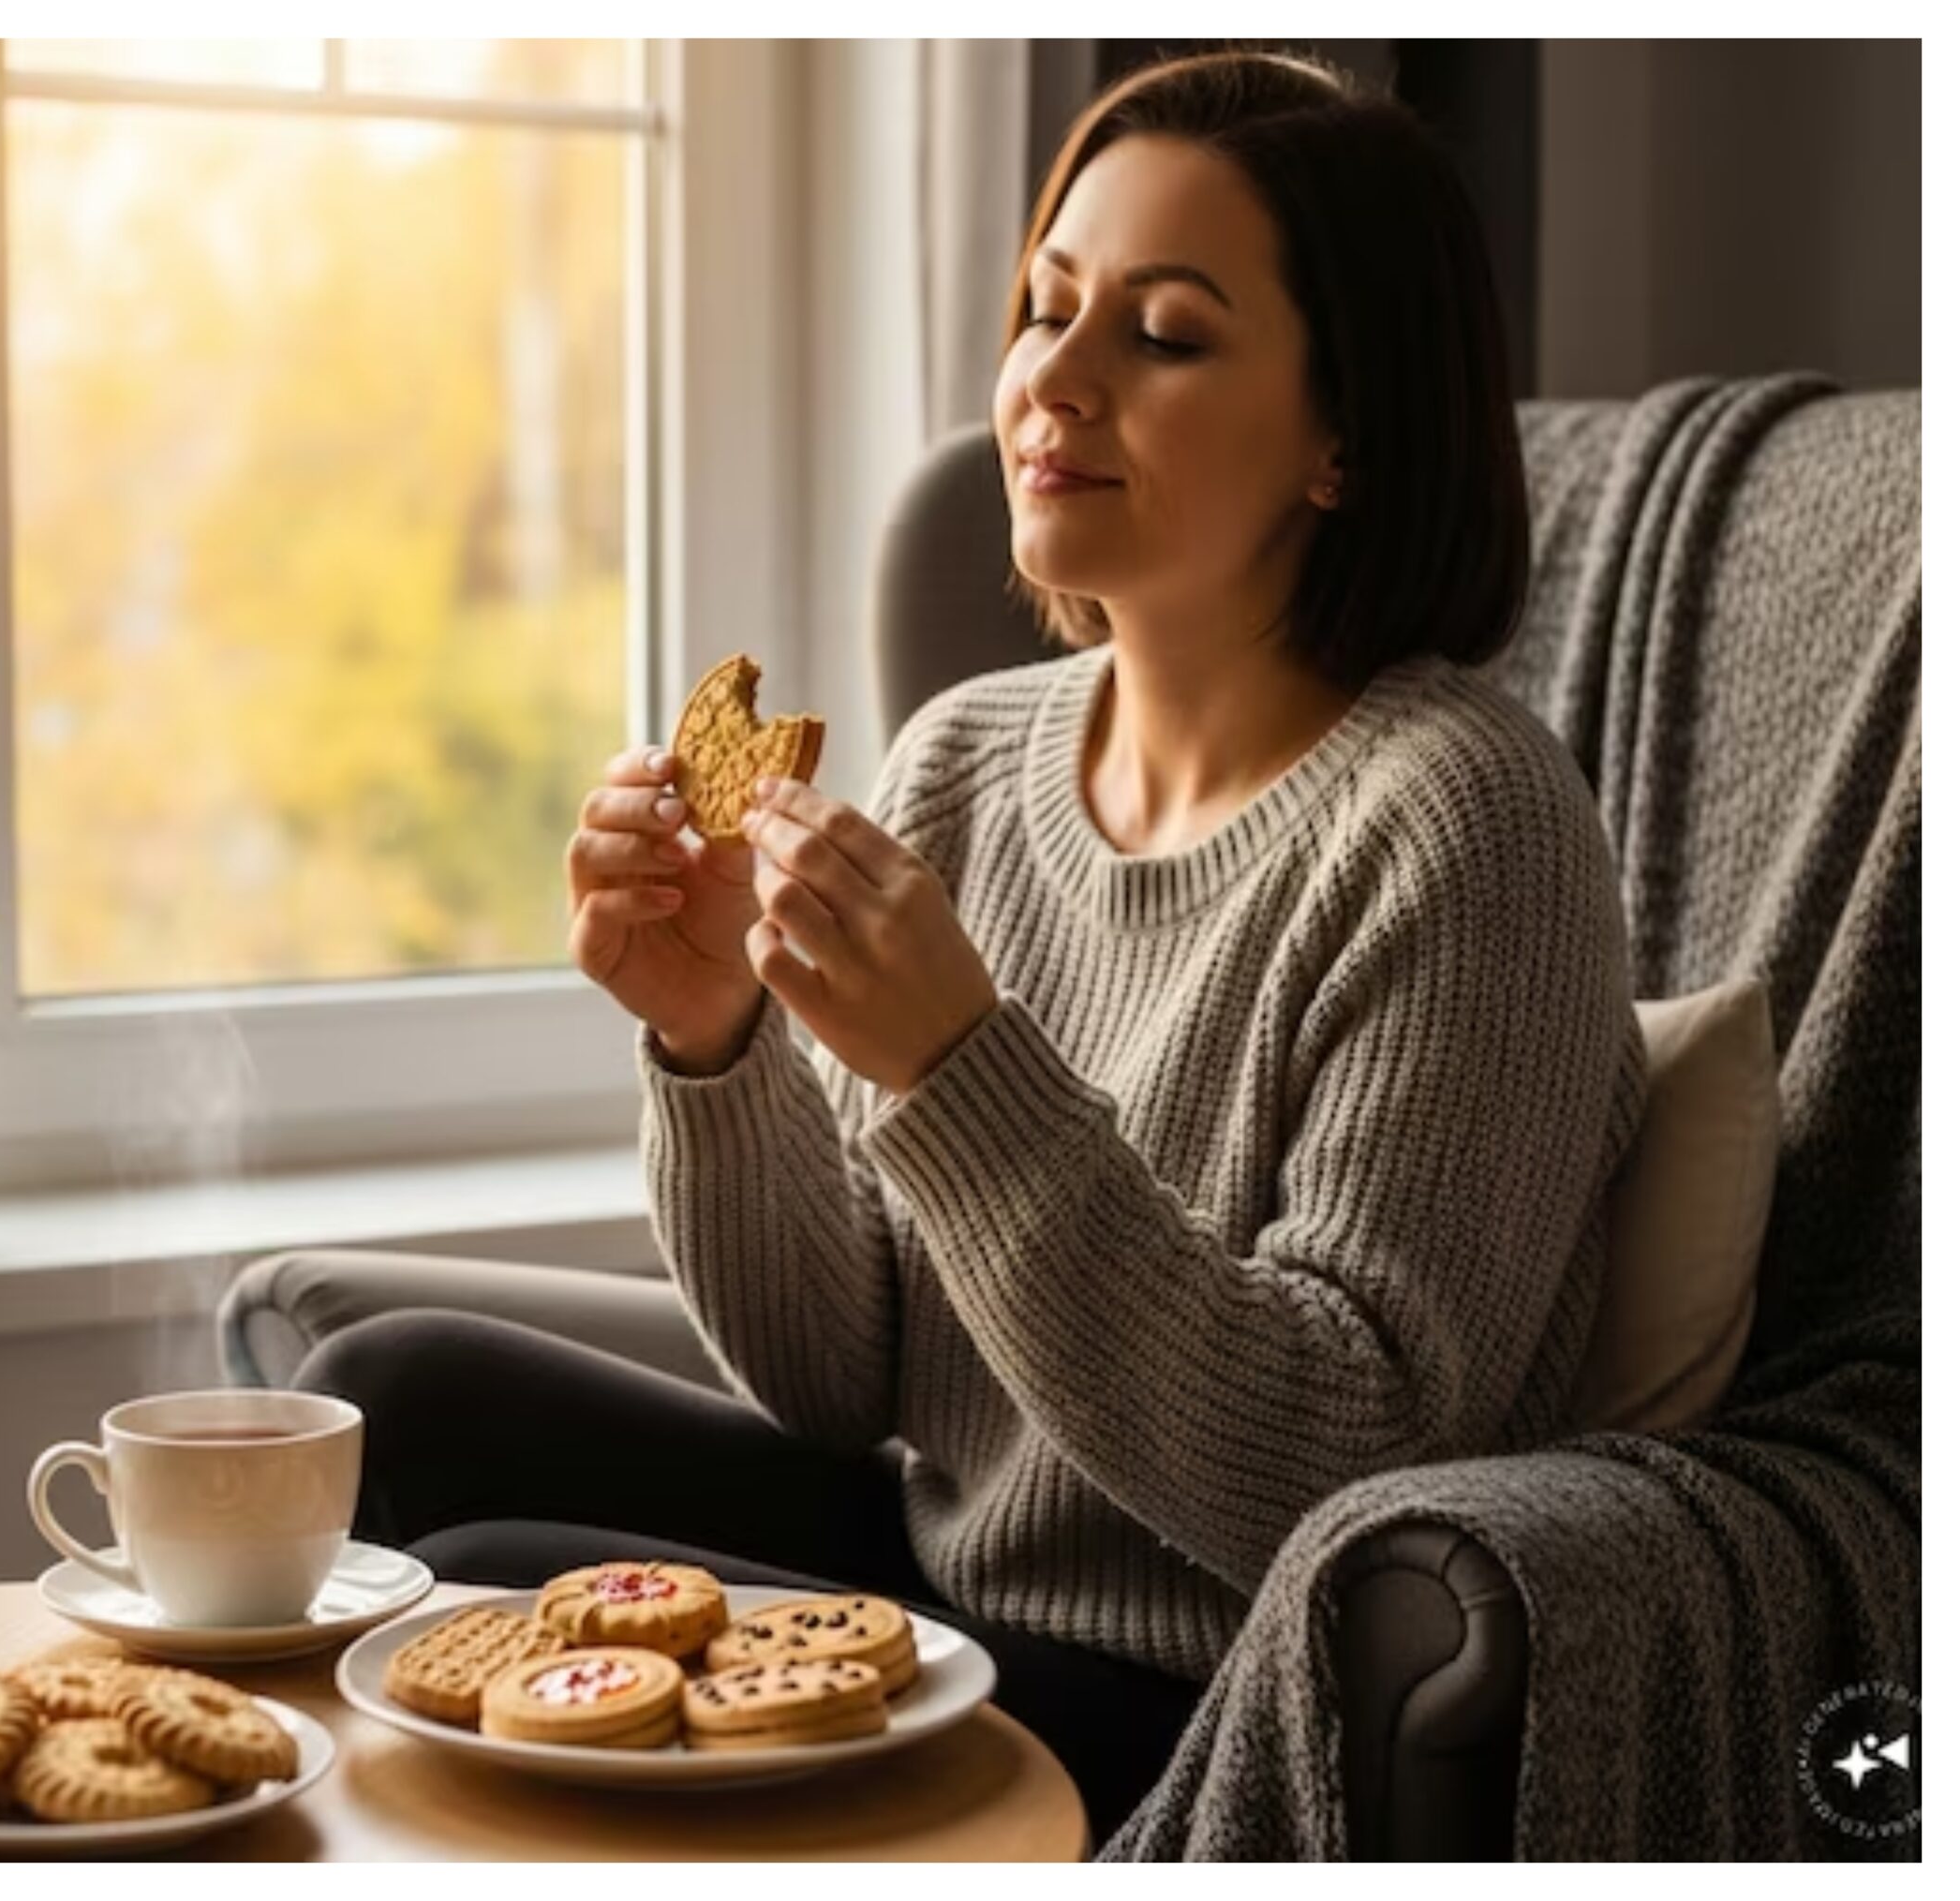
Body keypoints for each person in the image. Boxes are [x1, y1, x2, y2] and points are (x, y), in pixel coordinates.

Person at [297, 47, 1648, 1851]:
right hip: (938, 1565)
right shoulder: (968, 758)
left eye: (1163, 334)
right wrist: (717, 1050)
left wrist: (961, 1069)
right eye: (1046, 309)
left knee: (473, 1593)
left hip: (1196, 1679)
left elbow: (1344, 1471)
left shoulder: (1465, 823)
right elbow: (851, 1377)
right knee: (384, 1402)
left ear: (1349, 434)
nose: (1052, 383)